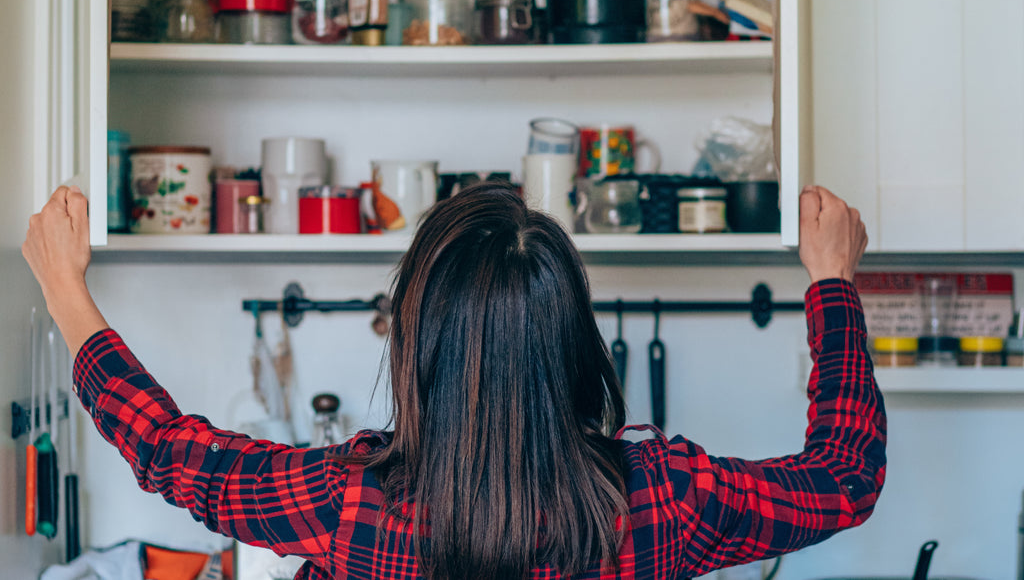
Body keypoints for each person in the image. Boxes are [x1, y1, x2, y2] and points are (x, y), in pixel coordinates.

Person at [23, 182, 884, 580]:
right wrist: (832, 281)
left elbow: (172, 450)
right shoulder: (666, 500)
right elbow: (846, 475)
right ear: (573, 344)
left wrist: (66, 288)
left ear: (415, 346)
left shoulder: (344, 504)